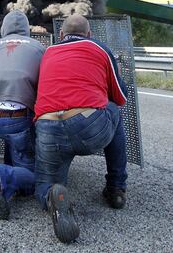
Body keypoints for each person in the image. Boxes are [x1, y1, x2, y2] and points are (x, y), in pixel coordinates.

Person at [34, 14, 128, 244]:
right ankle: (116, 188)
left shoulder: (48, 52)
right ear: (89, 34)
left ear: (61, 35)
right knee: (114, 108)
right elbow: (121, 95)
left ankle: (52, 196)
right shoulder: (99, 48)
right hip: (88, 126)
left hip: (48, 127)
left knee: (45, 184)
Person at [0, 10, 44, 219]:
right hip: (16, 118)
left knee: (13, 135)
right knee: (37, 179)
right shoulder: (39, 48)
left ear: (4, 29)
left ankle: (6, 186)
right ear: (27, 29)